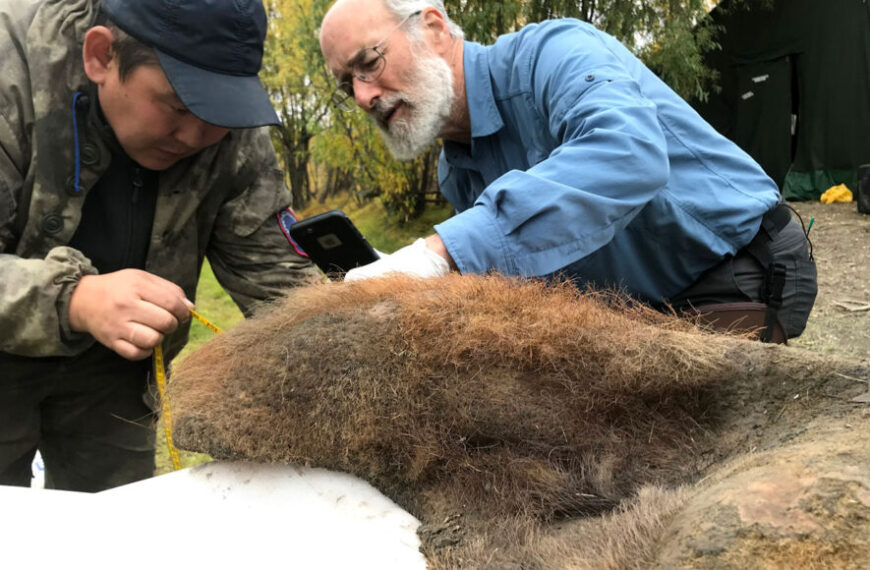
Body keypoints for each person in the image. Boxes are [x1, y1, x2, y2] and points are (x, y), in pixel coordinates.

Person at [318, 0, 817, 339]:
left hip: (736, 267)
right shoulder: (456, 171)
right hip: (640, 305)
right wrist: (415, 275)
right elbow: (513, 269)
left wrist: (441, 251)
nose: (363, 97)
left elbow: (629, 153)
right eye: (347, 85)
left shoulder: (553, 53)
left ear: (433, 27)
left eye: (370, 62)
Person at [0, 0, 321, 492]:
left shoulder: (227, 127)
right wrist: (74, 300)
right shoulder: (12, 72)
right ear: (102, 55)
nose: (195, 135)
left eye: (217, 113)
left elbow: (282, 281)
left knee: (115, 520)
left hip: (117, 373)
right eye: (177, 106)